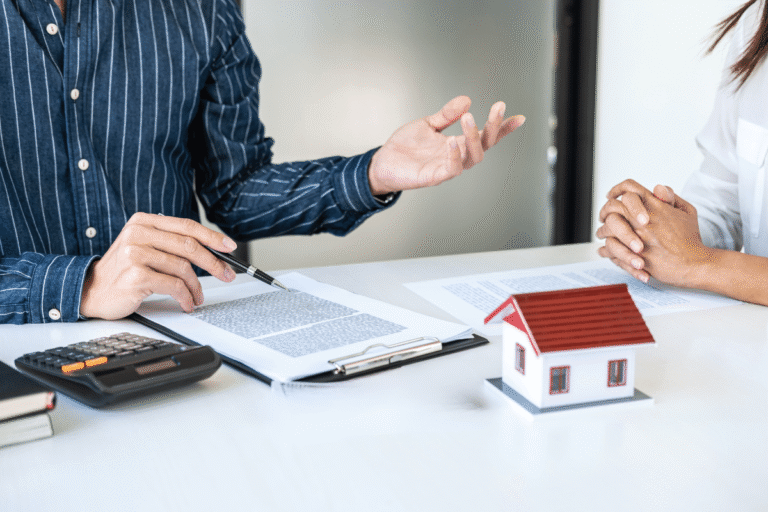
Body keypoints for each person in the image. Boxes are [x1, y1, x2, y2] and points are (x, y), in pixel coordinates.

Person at [0, 0, 525, 324]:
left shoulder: (201, 10)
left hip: (169, 338)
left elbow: (235, 190)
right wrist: (85, 286)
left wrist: (372, 173)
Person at [596, 0, 768, 306]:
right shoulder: (756, 24)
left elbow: (695, 259)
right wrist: (652, 233)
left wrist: (698, 263)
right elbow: (723, 202)